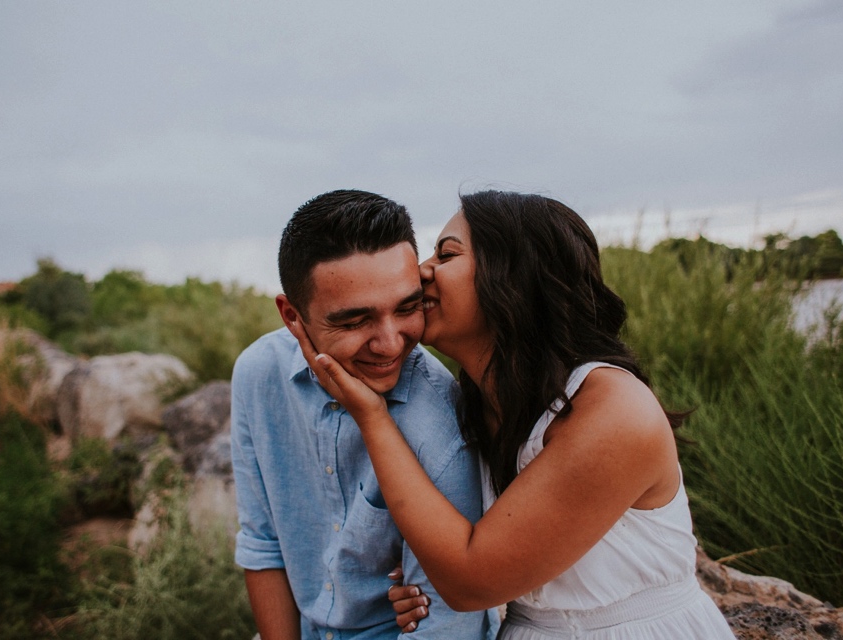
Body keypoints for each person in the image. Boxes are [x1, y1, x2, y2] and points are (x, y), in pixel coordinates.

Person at [298, 191, 736, 639]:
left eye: (446, 253)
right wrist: (420, 582)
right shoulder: (480, 403)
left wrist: (373, 418)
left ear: (513, 275)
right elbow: (470, 560)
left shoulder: (613, 409)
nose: (421, 270)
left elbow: (471, 580)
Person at [230, 189, 497, 640]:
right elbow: (263, 545)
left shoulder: (443, 423)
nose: (390, 343)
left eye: (407, 307)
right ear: (292, 316)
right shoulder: (258, 375)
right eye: (355, 322)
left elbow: (447, 624)